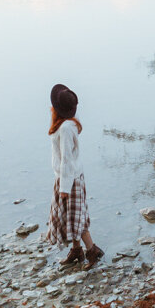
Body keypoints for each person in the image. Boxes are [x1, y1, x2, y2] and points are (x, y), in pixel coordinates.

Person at [46, 83, 104, 268]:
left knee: (77, 218)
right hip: (66, 177)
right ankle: (77, 250)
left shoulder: (65, 129)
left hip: (70, 179)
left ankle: (92, 251)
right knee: (70, 217)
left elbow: (67, 160)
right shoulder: (68, 122)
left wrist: (64, 188)